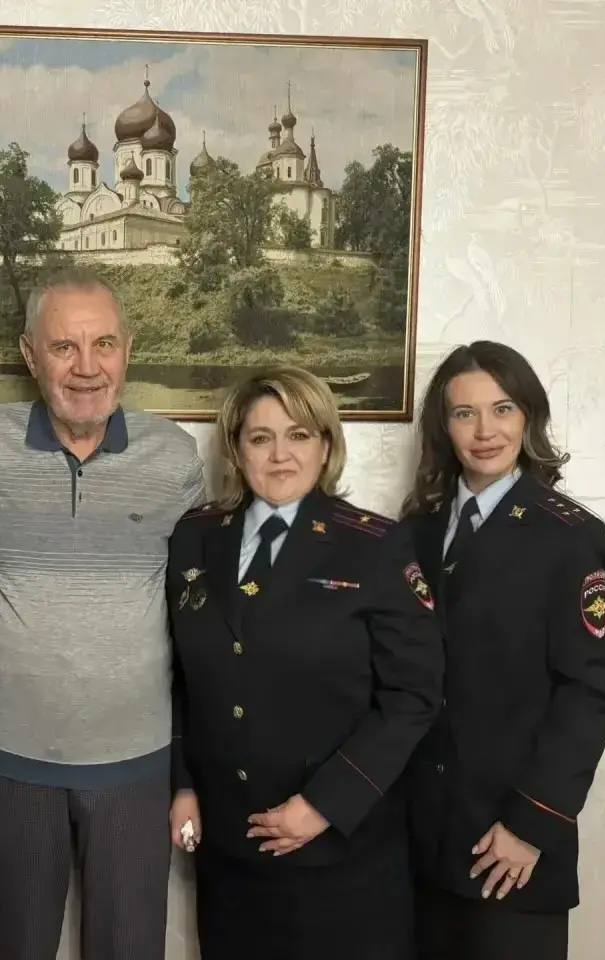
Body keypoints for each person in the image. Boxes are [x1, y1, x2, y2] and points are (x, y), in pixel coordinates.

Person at [0, 269, 206, 960]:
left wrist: (187, 773)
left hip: (136, 768)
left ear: (128, 350)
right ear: (30, 355)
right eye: (64, 347)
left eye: (104, 344)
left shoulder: (174, 456)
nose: (87, 368)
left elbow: (198, 622)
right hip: (8, 765)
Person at [167, 366, 443, 960]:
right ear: (236, 449)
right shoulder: (194, 537)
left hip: (341, 852)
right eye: (260, 437)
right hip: (230, 849)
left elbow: (413, 695)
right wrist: (183, 784)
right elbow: (181, 679)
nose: (280, 455)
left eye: (298, 435)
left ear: (326, 445)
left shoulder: (374, 545)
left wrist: (324, 804)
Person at [401, 341, 605, 960]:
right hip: (418, 838)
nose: (485, 431)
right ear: (443, 427)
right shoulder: (415, 530)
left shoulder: (569, 536)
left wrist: (532, 825)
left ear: (528, 417)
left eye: (502, 409)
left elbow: (588, 695)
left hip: (512, 841)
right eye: (464, 413)